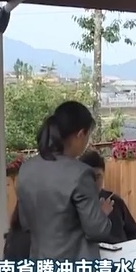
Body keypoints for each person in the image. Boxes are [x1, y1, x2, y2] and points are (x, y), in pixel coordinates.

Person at [15, 100, 114, 262]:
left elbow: (25, 222)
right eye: (88, 136)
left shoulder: (26, 169)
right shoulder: (80, 173)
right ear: (80, 134)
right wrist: (101, 213)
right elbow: (97, 230)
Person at [79, 150, 136, 243]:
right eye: (89, 177)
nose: (94, 182)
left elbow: (135, 234)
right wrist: (100, 217)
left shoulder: (115, 201)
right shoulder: (74, 206)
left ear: (104, 175)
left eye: (98, 176)